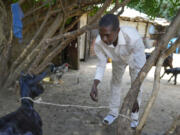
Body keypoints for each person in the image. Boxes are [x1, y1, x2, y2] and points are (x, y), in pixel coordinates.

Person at [90, 14, 146, 128]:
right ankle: (113, 113)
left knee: (137, 86)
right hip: (117, 60)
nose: (104, 39)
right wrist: (95, 84)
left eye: (108, 35)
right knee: (115, 83)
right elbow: (101, 64)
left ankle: (134, 117)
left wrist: (134, 95)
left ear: (118, 31)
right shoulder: (99, 43)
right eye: (101, 35)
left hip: (133, 59)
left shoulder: (133, 39)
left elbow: (140, 69)